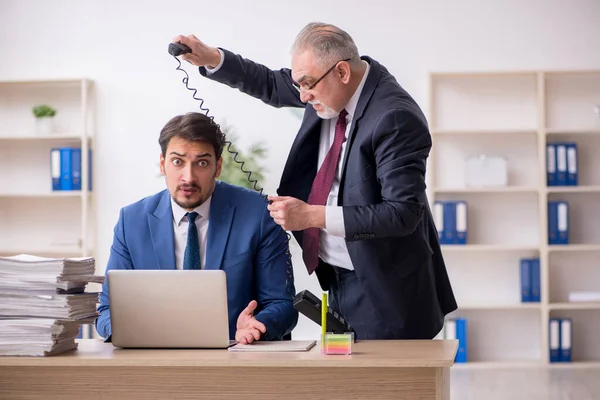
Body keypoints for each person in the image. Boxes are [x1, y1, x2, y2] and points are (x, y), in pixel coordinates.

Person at [171, 22, 457, 340]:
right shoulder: (329, 85)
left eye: (308, 85)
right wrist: (212, 57)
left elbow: (402, 213)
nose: (303, 96)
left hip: (387, 292)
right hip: (339, 278)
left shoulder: (395, 118)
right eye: (299, 85)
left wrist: (310, 216)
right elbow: (268, 82)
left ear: (342, 72)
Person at [96, 112, 298, 344]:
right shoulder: (131, 221)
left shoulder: (259, 214)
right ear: (162, 164)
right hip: (155, 360)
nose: (188, 177)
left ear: (218, 166)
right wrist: (129, 328)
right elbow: (107, 310)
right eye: (178, 162)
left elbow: (282, 304)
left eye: (201, 163)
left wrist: (257, 327)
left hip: (236, 359)